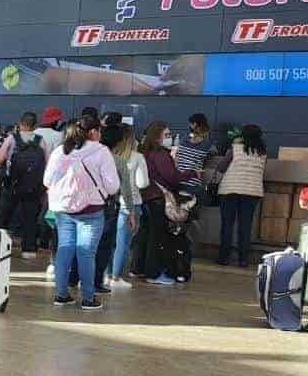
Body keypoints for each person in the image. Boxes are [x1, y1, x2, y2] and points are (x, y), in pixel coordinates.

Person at [44, 115, 119, 310]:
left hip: (64, 209)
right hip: (91, 210)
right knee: (86, 253)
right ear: (93, 132)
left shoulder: (61, 151)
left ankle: (61, 295)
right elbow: (112, 186)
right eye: (99, 130)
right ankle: (88, 298)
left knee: (64, 250)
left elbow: (47, 180)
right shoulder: (101, 151)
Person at [137, 121, 197, 285]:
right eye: (167, 135)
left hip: (146, 197)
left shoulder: (144, 152)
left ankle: (139, 268)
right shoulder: (161, 154)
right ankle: (154, 273)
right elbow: (172, 177)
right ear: (157, 137)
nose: (170, 138)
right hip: (159, 198)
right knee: (158, 237)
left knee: (146, 235)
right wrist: (192, 173)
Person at [216, 124, 266, 268]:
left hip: (230, 190)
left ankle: (224, 258)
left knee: (227, 224)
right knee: (245, 226)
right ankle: (243, 259)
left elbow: (221, 167)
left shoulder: (235, 148)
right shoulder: (262, 152)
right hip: (252, 192)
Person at [0, 112, 47, 256]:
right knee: (30, 218)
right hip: (33, 186)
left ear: (20, 124)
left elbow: (0, 158)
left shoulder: (11, 138)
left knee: (4, 215)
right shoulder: (41, 140)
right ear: (35, 125)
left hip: (12, 184)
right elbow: (47, 162)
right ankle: (28, 250)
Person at [107, 124, 147, 289]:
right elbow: (142, 183)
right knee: (123, 244)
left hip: (111, 204)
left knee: (109, 242)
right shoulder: (137, 157)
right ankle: (116, 277)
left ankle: (106, 274)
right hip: (131, 203)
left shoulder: (109, 156)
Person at [175, 113, 214, 199]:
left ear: (194, 124)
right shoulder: (207, 145)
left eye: (190, 124)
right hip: (194, 185)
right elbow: (214, 151)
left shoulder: (184, 140)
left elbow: (176, 160)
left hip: (177, 182)